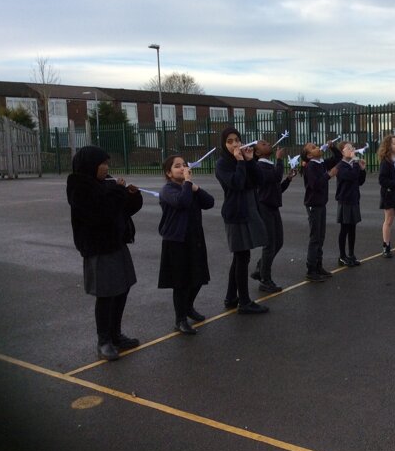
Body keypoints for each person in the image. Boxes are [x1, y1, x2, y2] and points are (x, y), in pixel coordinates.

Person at [66, 146, 143, 361]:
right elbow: (100, 213)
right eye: (102, 164)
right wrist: (119, 192)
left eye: (107, 164)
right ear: (90, 165)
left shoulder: (106, 183)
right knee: (106, 294)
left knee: (122, 289)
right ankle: (104, 341)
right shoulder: (79, 187)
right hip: (98, 248)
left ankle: (116, 335)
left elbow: (122, 209)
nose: (106, 168)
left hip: (116, 244)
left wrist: (132, 196)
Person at [157, 155, 215, 334]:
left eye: (184, 165)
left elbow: (209, 202)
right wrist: (188, 183)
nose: (182, 168)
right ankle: (180, 319)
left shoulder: (189, 188)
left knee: (198, 277)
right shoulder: (168, 190)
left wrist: (196, 187)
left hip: (194, 238)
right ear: (169, 173)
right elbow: (182, 202)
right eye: (177, 166)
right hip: (176, 240)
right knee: (180, 282)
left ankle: (189, 306)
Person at [215, 127, 269, 314]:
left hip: (249, 210)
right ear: (224, 144)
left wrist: (249, 160)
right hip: (235, 213)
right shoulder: (222, 164)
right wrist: (240, 161)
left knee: (240, 256)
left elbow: (260, 179)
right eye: (229, 141)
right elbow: (237, 183)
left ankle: (231, 297)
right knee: (241, 257)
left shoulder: (244, 160)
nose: (235, 144)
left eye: (237, 140)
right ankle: (244, 302)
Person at [250, 140, 297, 293]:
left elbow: (277, 188)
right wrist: (279, 159)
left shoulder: (269, 166)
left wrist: (288, 180)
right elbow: (276, 177)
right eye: (263, 144)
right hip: (264, 208)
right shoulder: (259, 166)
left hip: (273, 208)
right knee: (270, 244)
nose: (268, 144)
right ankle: (265, 280)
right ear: (257, 153)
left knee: (279, 242)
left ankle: (261, 267)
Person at [301, 140, 342, 281]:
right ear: (309, 155)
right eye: (313, 147)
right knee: (315, 237)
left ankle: (318, 266)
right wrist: (329, 175)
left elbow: (338, 158)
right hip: (313, 205)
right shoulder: (311, 166)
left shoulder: (320, 163)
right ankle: (311, 269)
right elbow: (315, 184)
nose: (318, 147)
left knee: (321, 236)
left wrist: (332, 147)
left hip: (321, 204)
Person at [335, 141, 367, 266]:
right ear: (342, 152)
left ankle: (351, 254)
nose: (352, 150)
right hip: (345, 201)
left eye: (352, 147)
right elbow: (352, 176)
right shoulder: (341, 166)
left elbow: (360, 181)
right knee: (344, 229)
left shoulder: (353, 165)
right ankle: (342, 256)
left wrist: (362, 170)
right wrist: (355, 162)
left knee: (352, 229)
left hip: (354, 200)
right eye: (348, 148)